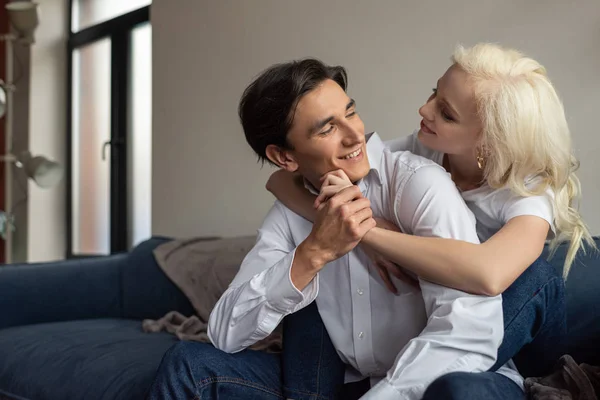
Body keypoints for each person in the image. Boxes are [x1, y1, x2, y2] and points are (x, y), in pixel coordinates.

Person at [145, 57, 524, 400]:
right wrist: (313, 253)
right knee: (187, 365)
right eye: (327, 129)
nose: (355, 135)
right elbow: (224, 333)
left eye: (351, 113)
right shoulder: (289, 216)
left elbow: (466, 332)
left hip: (445, 378)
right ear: (284, 157)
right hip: (347, 381)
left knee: (456, 394)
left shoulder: (418, 183)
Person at [266, 43, 593, 393]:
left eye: (447, 114)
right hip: (450, 302)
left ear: (488, 140)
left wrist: (367, 231)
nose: (424, 109)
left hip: (525, 319)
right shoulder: (425, 148)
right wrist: (352, 224)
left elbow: (489, 275)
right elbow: (282, 179)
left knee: (535, 275)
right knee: (315, 279)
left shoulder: (528, 188)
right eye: (434, 92)